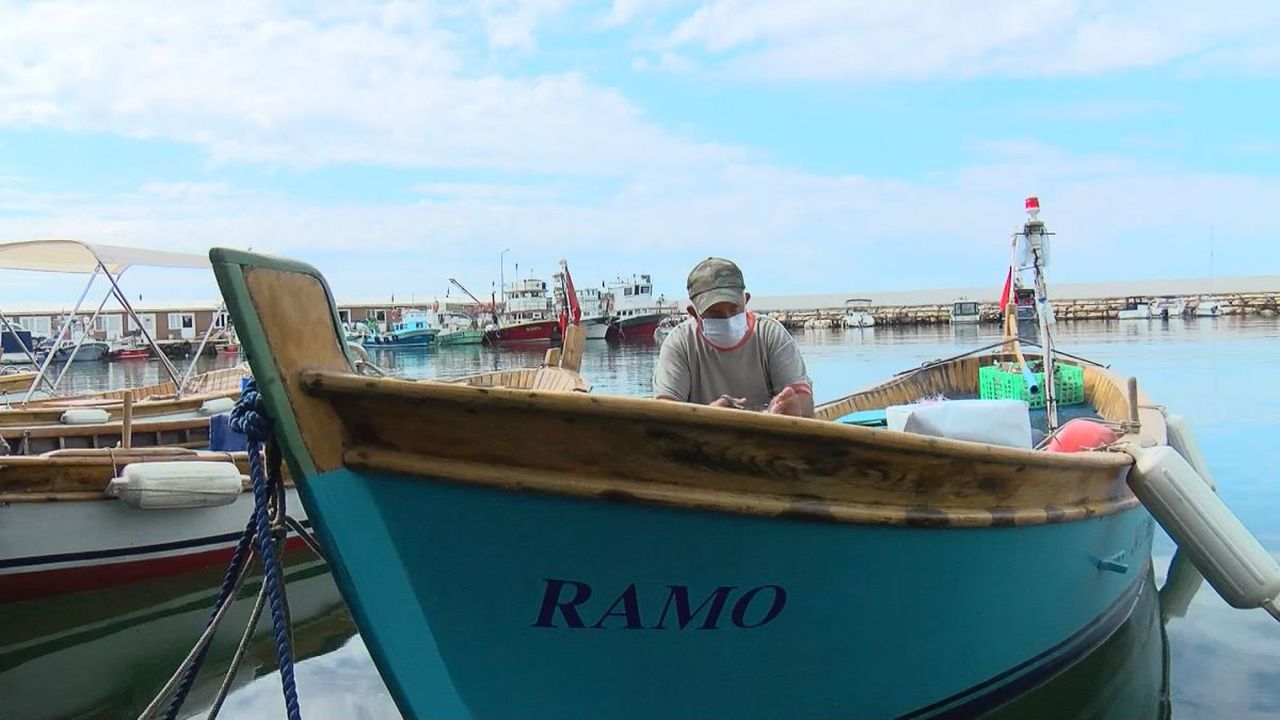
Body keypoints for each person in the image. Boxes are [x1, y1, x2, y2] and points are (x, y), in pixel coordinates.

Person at [653, 257, 814, 417]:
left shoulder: (771, 335)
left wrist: (792, 407)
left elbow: (805, 406)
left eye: (734, 310)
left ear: (746, 301)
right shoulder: (679, 344)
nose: (727, 319)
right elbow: (665, 414)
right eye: (714, 314)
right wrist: (708, 417)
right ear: (694, 313)